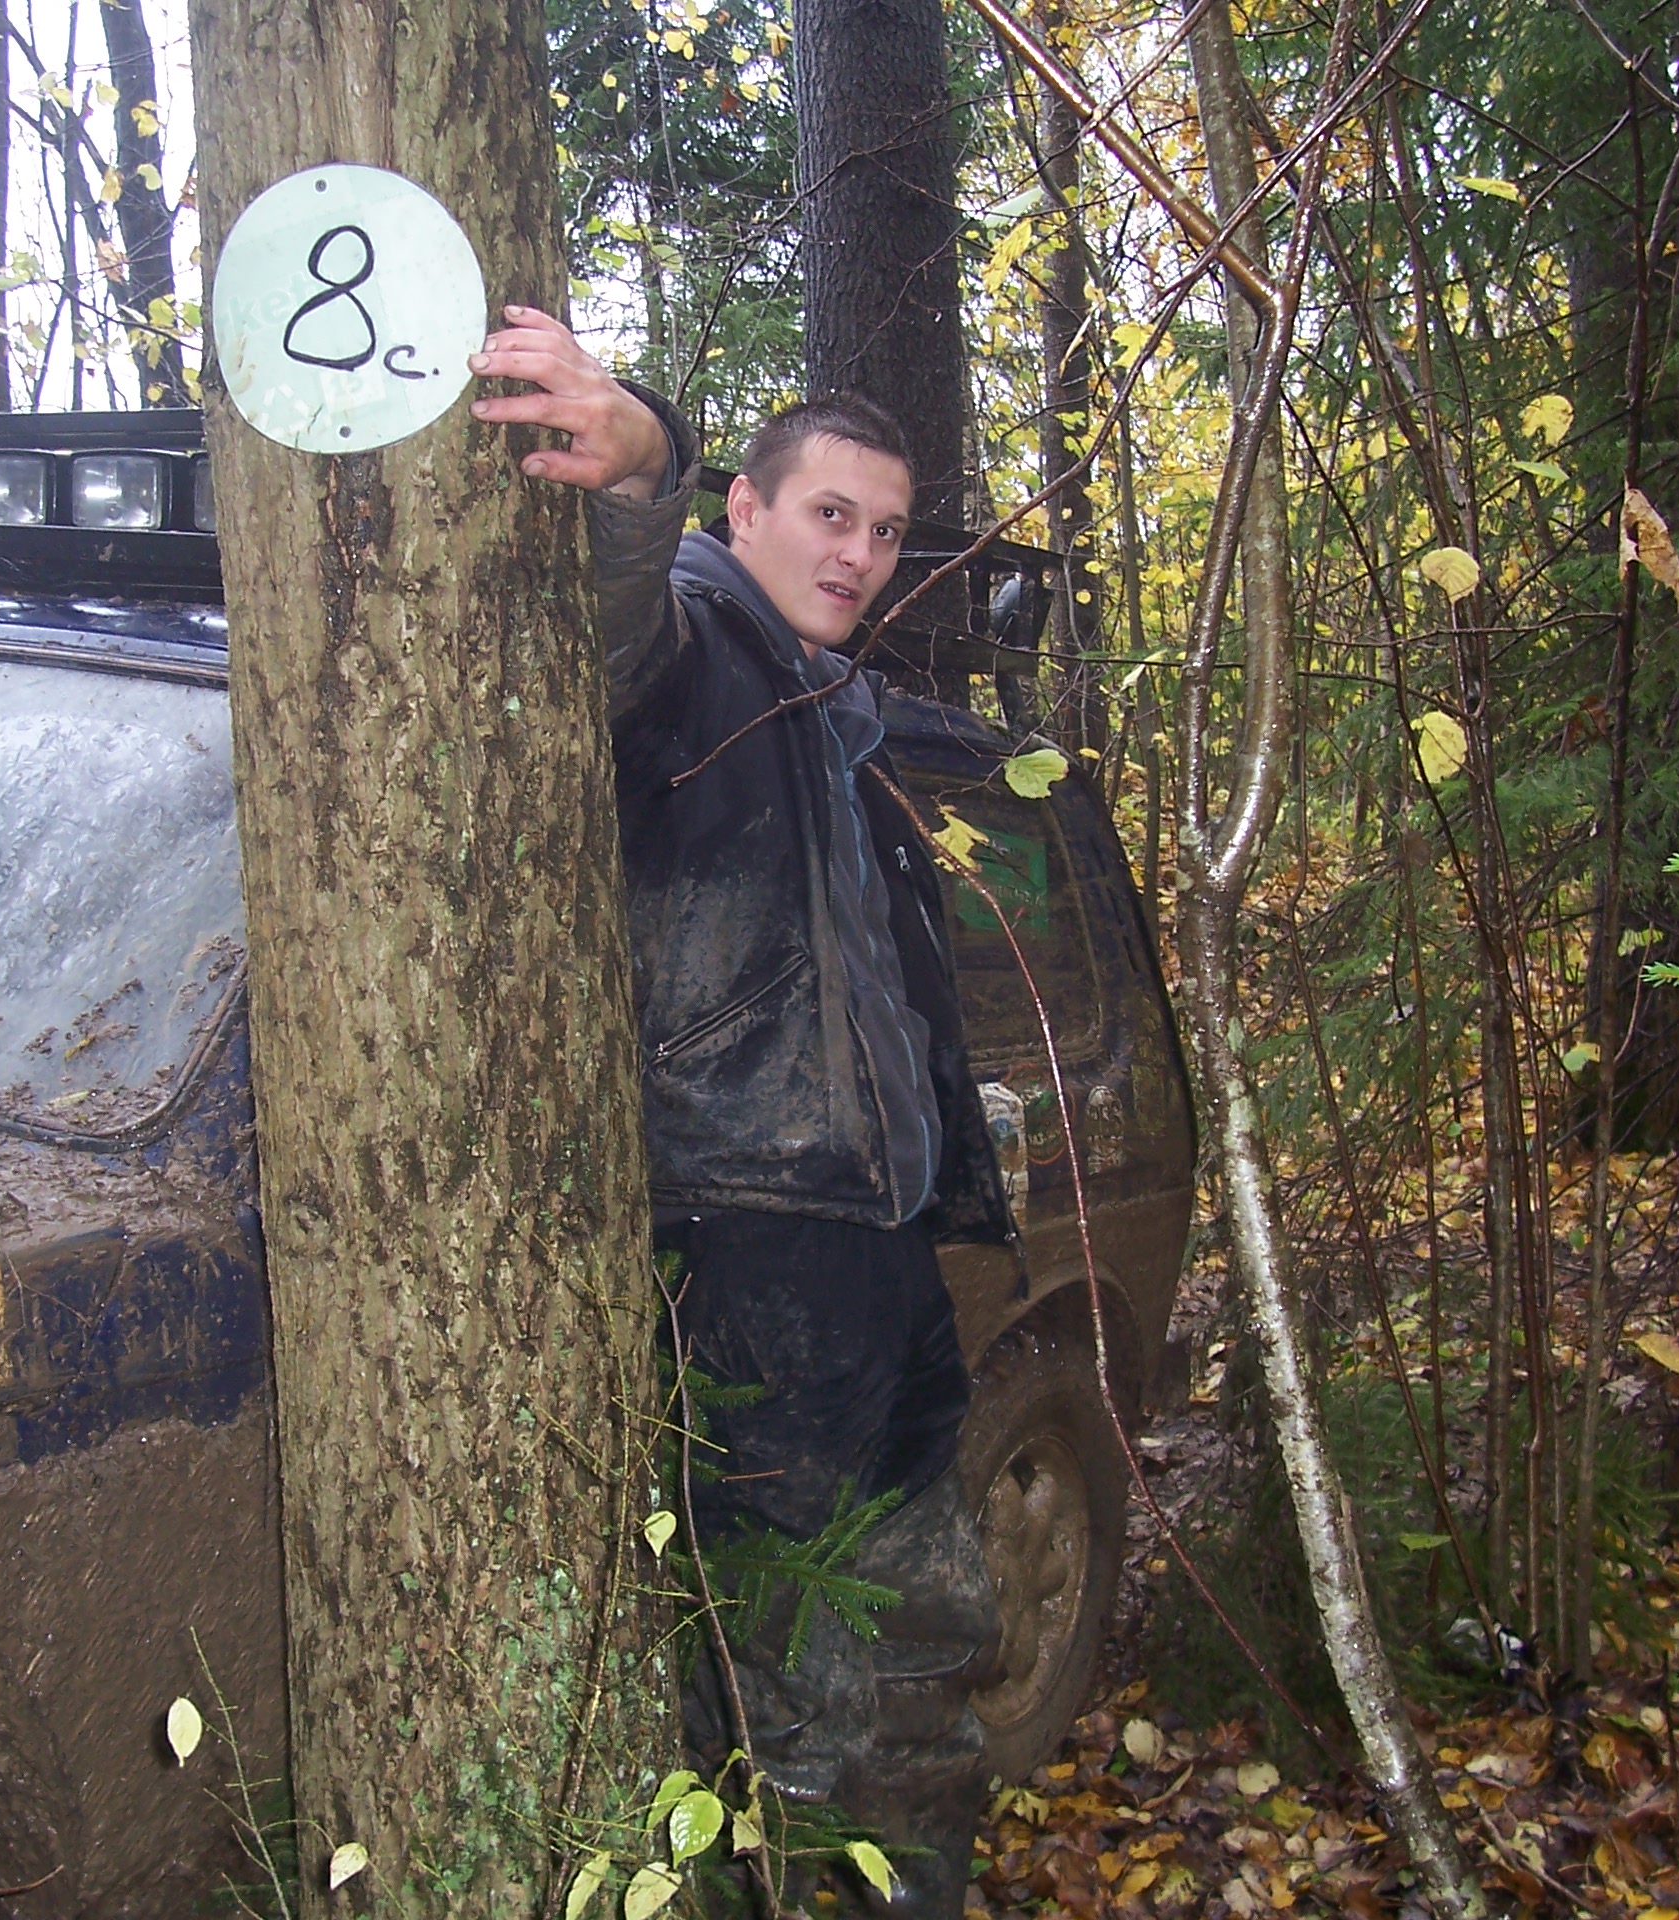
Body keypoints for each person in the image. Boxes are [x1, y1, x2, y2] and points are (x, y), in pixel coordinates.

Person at [469, 307, 1017, 1917]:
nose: (861, 556)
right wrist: (641, 452)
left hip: (875, 1249)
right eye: (830, 515)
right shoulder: (698, 653)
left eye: (887, 531)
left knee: (925, 1633)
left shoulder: (831, 708)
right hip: (746, 1241)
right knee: (781, 1690)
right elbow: (600, 625)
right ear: (745, 511)